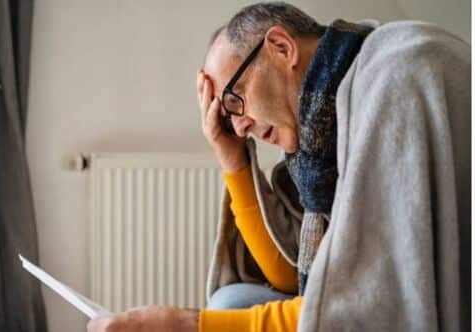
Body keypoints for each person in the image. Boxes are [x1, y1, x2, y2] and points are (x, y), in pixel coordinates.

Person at [88, 2, 470, 331]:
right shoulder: (321, 137)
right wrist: (231, 157)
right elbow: (294, 276)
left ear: (281, 47)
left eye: (234, 101)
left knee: (225, 310)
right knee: (233, 298)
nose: (239, 126)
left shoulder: (396, 77)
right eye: (226, 117)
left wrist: (189, 324)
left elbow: (371, 306)